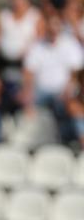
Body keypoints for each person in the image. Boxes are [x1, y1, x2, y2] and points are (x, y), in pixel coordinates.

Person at [21, 12, 84, 146]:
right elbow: (28, 74)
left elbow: (76, 73)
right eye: (50, 25)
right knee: (24, 102)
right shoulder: (37, 46)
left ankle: (74, 139)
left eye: (56, 25)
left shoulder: (70, 44)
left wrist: (68, 89)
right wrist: (28, 97)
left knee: (73, 106)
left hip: (64, 91)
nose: (53, 29)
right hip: (41, 92)